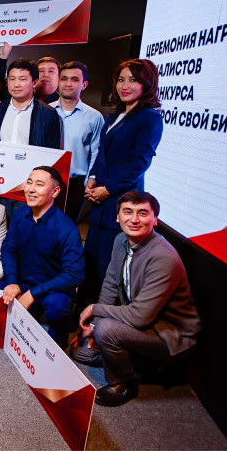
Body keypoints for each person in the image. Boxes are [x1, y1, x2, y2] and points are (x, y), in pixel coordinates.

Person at [74, 191, 200, 407]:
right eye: (127, 212)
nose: (134, 219)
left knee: (107, 330)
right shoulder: (120, 240)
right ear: (118, 217)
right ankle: (141, 363)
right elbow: (110, 284)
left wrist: (95, 311)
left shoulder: (163, 257)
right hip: (141, 322)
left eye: (142, 213)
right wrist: (93, 325)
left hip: (169, 333)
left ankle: (123, 384)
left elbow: (140, 316)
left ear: (155, 219)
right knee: (82, 352)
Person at [80, 59, 164, 310]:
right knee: (90, 263)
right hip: (99, 201)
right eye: (120, 80)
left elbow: (139, 163)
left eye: (133, 80)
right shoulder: (115, 115)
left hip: (121, 201)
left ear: (147, 84)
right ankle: (82, 314)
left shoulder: (150, 118)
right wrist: (92, 179)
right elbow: (101, 155)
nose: (124, 86)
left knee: (109, 269)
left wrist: (108, 189)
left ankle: (101, 321)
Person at [0, 166, 84, 348]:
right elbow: (8, 248)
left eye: (39, 185)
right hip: (22, 282)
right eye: (29, 182)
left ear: (55, 191)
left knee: (56, 309)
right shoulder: (20, 214)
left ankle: (59, 338)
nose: (31, 189)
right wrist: (12, 282)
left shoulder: (66, 228)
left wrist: (33, 294)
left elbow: (74, 274)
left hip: (53, 289)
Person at [49, 61, 103, 222]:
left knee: (68, 227)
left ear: (84, 84)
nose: (68, 84)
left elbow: (96, 152)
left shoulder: (94, 117)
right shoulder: (46, 111)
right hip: (47, 179)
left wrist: (90, 180)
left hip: (75, 184)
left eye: (74, 79)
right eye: (64, 78)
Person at [0, 58, 61, 148]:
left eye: (22, 79)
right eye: (12, 79)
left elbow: (52, 151)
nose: (16, 84)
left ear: (34, 83)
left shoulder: (48, 113)